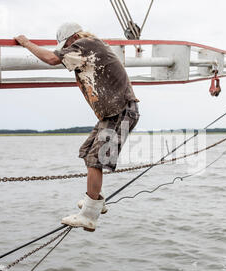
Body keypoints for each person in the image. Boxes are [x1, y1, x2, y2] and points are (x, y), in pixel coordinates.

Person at [14, 22, 139, 232]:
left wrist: (26, 43)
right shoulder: (88, 49)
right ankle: (96, 201)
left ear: (73, 38)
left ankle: (89, 216)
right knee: (87, 152)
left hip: (121, 111)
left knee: (95, 160)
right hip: (113, 113)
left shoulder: (86, 43)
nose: (65, 50)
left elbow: (52, 59)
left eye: (65, 46)